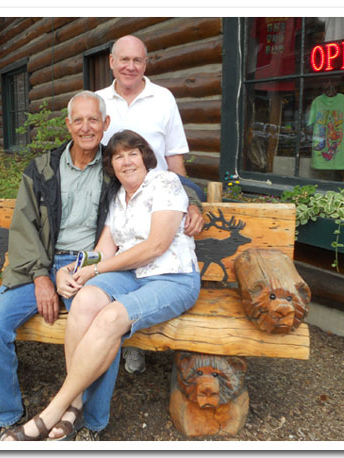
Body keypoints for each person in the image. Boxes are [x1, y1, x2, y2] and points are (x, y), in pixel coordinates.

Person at [2, 130, 201, 441]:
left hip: (172, 277)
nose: (127, 161)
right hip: (132, 274)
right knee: (84, 300)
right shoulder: (119, 197)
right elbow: (103, 251)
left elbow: (156, 246)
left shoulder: (165, 183)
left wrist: (97, 270)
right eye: (118, 156)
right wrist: (69, 269)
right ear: (111, 166)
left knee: (110, 318)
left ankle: (54, 410)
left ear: (145, 157)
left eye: (133, 153)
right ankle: (76, 406)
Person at [0, 90, 113, 441]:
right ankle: (9, 416)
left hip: (88, 267)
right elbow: (24, 227)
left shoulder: (116, 165)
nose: (86, 127)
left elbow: (166, 181)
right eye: (78, 120)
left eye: (93, 120)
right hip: (39, 262)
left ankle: (90, 422)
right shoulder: (41, 169)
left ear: (106, 123)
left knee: (104, 329)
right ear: (68, 125)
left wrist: (191, 201)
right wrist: (41, 277)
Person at [97, 34, 205, 374]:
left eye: (137, 60)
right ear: (112, 62)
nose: (130, 66)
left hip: (159, 204)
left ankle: (128, 337)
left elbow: (174, 159)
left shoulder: (163, 98)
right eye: (124, 59)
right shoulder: (99, 101)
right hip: (114, 201)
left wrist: (190, 201)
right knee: (116, 269)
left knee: (144, 261)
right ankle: (116, 339)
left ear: (145, 63)